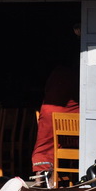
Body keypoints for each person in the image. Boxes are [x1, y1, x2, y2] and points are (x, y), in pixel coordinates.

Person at [31, 22, 80, 180]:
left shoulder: (57, 73)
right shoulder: (73, 77)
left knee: (45, 144)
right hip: (70, 129)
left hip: (50, 118)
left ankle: (42, 175)